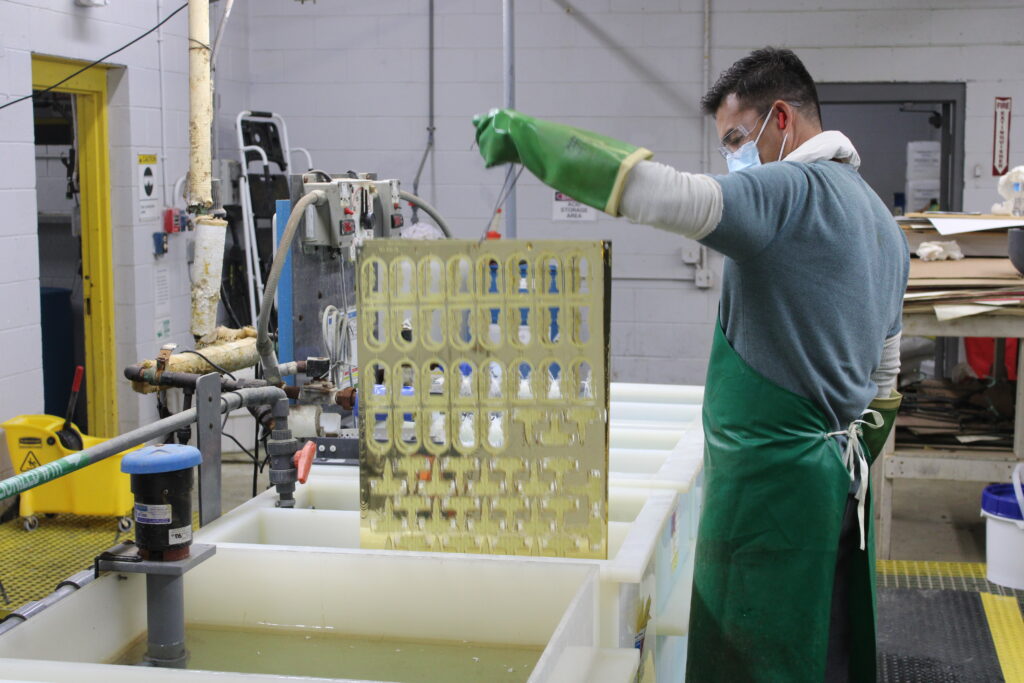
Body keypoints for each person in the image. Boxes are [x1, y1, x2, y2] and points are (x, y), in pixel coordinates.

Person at [473, 47, 909, 682]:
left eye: (736, 139)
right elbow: (887, 382)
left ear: (781, 119)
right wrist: (839, 459)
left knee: (755, 659)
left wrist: (534, 141)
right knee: (824, 650)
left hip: (769, 499)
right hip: (840, 489)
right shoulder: (883, 225)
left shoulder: (788, 191)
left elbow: (665, 195)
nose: (733, 157)